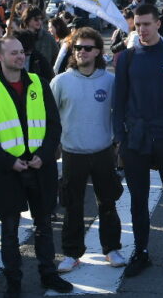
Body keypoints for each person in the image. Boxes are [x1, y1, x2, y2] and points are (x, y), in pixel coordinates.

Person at [0, 36, 71, 298]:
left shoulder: (38, 83)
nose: (20, 57)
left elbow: (54, 125)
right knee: (10, 230)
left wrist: (44, 155)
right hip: (8, 171)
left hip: (40, 168)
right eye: (13, 53)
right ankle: (13, 281)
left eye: (21, 52)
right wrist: (8, 161)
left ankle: (48, 273)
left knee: (44, 225)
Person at [112, 4, 163, 277]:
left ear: (158, 23)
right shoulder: (127, 58)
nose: (142, 29)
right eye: (138, 25)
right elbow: (118, 102)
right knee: (138, 200)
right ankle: (141, 251)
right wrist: (120, 139)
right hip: (136, 139)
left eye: (146, 24)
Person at [50, 27, 126, 273]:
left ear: (97, 52)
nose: (81, 51)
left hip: (103, 152)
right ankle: (72, 253)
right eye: (77, 47)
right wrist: (54, 145)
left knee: (108, 203)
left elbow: (119, 114)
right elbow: (51, 118)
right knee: (73, 206)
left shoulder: (109, 81)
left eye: (87, 48)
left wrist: (118, 142)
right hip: (73, 153)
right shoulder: (61, 81)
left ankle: (111, 249)